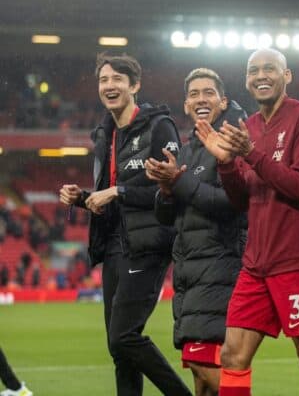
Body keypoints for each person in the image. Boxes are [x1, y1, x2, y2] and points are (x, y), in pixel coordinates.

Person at [196, 48, 299, 396]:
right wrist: (226, 163)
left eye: (270, 69)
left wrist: (251, 154)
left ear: (288, 76)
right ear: (246, 80)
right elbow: (241, 201)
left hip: (297, 259)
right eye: (253, 70)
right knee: (232, 355)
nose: (261, 76)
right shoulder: (248, 127)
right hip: (256, 263)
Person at [58, 53, 192, 396]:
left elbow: (170, 187)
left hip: (147, 243)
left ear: (135, 86)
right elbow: (111, 194)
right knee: (118, 350)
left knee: (124, 336)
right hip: (114, 244)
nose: (109, 86)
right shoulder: (104, 135)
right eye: (103, 80)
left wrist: (116, 191)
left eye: (117, 79)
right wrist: (84, 196)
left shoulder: (158, 126)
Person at [145, 67, 248, 396]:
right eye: (194, 94)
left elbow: (230, 203)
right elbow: (166, 217)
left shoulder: (231, 141)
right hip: (190, 273)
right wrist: (165, 188)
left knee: (211, 371)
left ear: (223, 100)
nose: (201, 99)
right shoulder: (187, 151)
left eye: (208, 92)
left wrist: (180, 181)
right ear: (186, 104)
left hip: (220, 267)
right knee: (202, 381)